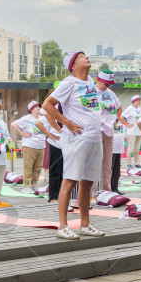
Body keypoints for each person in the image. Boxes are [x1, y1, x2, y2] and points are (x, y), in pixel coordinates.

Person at [43, 51, 105, 240]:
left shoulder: (89, 83)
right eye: (81, 57)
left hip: (95, 138)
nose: (86, 58)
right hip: (77, 138)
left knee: (88, 182)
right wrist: (67, 123)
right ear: (73, 66)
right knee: (69, 180)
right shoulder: (69, 82)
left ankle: (84, 224)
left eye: (86, 55)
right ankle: (62, 226)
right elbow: (47, 105)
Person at [95, 70, 123, 194]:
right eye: (105, 84)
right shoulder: (92, 92)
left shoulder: (110, 93)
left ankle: (106, 191)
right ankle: (92, 192)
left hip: (109, 131)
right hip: (97, 131)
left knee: (107, 165)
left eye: (109, 84)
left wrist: (116, 120)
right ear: (98, 80)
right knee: (95, 164)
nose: (107, 87)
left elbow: (119, 107)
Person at [10, 101, 46, 193]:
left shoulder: (42, 118)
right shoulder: (26, 118)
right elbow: (13, 124)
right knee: (28, 166)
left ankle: (34, 185)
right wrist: (22, 133)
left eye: (39, 106)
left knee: (38, 167)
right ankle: (26, 186)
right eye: (36, 107)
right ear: (31, 109)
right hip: (30, 145)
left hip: (41, 145)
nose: (38, 108)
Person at [36, 92, 63, 202]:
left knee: (65, 172)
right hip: (55, 143)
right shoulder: (52, 109)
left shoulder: (67, 107)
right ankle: (53, 196)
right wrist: (50, 134)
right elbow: (38, 123)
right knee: (55, 171)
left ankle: (63, 195)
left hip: (67, 143)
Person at [122, 95, 141, 168]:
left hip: (139, 131)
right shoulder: (129, 108)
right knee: (130, 148)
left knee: (137, 149)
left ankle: (136, 163)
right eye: (138, 101)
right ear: (133, 101)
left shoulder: (139, 109)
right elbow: (122, 116)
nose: (139, 102)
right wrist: (127, 124)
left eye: (140, 101)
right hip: (131, 132)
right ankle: (128, 163)